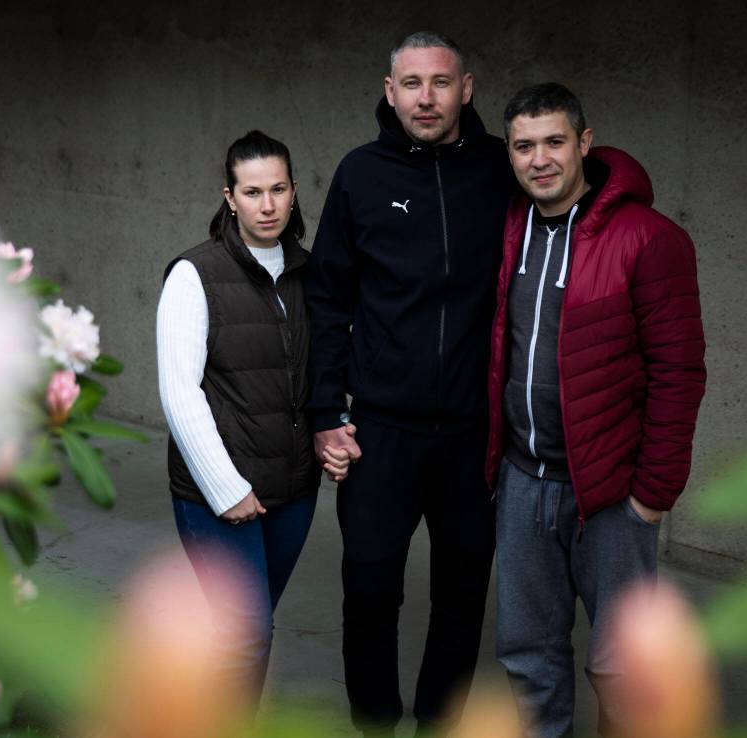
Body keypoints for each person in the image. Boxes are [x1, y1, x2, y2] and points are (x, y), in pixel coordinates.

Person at [306, 32, 517, 737]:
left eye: (441, 82)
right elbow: (328, 299)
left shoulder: (500, 169)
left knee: (462, 594)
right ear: (388, 90)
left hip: (472, 431)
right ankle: (373, 723)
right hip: (381, 430)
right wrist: (324, 412)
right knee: (368, 588)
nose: (426, 97)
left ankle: (439, 722)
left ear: (468, 87)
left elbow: (572, 178)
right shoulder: (360, 175)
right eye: (411, 83)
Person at [486, 83, 707, 738]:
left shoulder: (650, 239)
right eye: (524, 146)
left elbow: (679, 372)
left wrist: (653, 494)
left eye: (555, 141)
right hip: (523, 482)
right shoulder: (509, 230)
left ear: (584, 143)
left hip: (611, 494)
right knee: (528, 654)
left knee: (622, 667)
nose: (540, 159)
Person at [156, 130, 352, 708]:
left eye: (278, 189)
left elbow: (321, 375)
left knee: (239, 636)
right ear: (229, 196)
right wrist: (225, 488)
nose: (266, 205)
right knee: (246, 636)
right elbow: (178, 390)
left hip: (291, 492)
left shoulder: (311, 273)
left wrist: (331, 433)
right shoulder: (195, 274)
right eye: (251, 191)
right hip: (218, 497)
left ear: (294, 193)